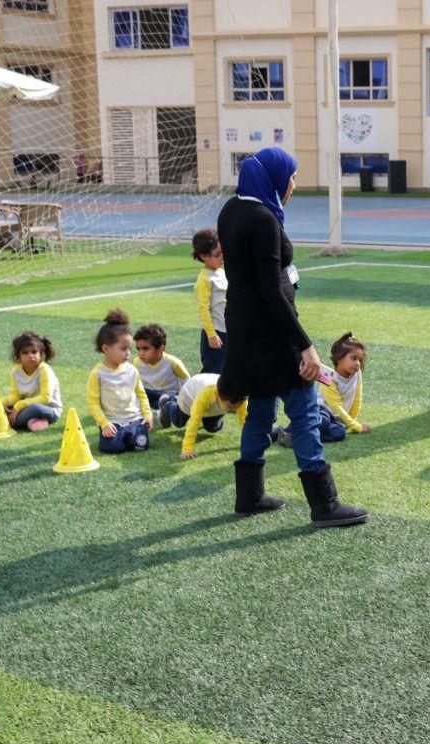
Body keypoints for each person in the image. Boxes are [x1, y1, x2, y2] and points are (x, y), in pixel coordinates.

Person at [216, 147, 367, 527]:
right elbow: (272, 293)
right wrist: (306, 347)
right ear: (274, 179)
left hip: (244, 330)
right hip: (272, 334)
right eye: (292, 177)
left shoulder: (231, 210)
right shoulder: (264, 219)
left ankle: (248, 497)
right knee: (303, 410)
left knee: (262, 409)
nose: (294, 185)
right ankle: (325, 504)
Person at [273, 332, 370, 446]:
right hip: (321, 410)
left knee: (340, 432)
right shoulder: (330, 378)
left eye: (360, 359)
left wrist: (351, 422)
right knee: (322, 422)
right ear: (339, 358)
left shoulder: (357, 375)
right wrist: (356, 426)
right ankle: (291, 434)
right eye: (353, 358)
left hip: (335, 418)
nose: (358, 363)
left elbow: (357, 400)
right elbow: (335, 407)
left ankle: (290, 435)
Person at [86, 309, 152, 454]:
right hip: (113, 422)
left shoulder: (132, 370)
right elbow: (93, 403)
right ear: (106, 349)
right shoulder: (97, 374)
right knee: (112, 448)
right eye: (123, 349)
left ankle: (134, 433)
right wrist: (104, 423)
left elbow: (141, 394)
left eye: (129, 348)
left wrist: (147, 415)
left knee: (141, 445)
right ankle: (115, 437)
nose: (128, 353)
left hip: (135, 419)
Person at [0, 331, 63, 432]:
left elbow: (45, 398)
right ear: (18, 356)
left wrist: (19, 406)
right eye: (25, 353)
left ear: (40, 354)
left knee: (35, 408)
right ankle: (33, 421)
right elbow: (16, 396)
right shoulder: (16, 371)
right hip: (26, 407)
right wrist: (1, 402)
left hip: (49, 409)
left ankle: (6, 421)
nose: (30, 355)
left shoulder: (44, 370)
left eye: (34, 352)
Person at [157, 372, 247, 460]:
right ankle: (167, 402)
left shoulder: (240, 397)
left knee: (213, 428)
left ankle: (210, 414)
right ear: (223, 398)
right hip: (190, 395)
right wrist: (187, 448)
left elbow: (245, 421)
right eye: (231, 407)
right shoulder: (206, 394)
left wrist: (248, 442)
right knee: (178, 421)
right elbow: (194, 421)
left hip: (211, 404)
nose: (235, 410)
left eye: (236, 408)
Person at [192, 227, 229, 373]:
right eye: (217, 254)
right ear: (203, 255)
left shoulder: (222, 272)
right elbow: (203, 308)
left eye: (222, 253)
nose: (221, 257)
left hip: (229, 331)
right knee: (212, 373)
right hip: (216, 335)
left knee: (229, 371)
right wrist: (211, 334)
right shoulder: (205, 279)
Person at [133, 323, 190, 411]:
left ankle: (162, 409)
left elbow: (187, 383)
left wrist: (185, 401)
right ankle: (158, 410)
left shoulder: (173, 362)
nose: (141, 353)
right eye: (138, 349)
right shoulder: (137, 363)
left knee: (168, 400)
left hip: (168, 394)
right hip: (149, 393)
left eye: (145, 348)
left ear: (161, 348)